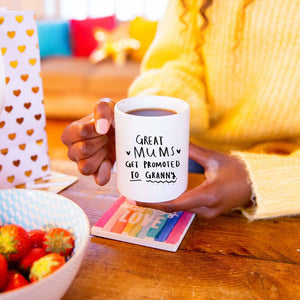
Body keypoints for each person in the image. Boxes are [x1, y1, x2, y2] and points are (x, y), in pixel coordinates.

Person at [61, 0, 300, 221]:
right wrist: (142, 129)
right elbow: (177, 65)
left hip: (288, 173)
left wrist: (256, 180)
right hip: (199, 154)